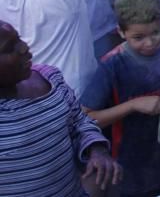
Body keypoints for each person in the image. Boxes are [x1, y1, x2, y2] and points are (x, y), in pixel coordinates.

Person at [81, 0, 160, 197]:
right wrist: (132, 106)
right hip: (133, 167)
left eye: (155, 33)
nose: (149, 43)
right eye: (138, 37)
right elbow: (87, 117)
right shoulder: (112, 65)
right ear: (120, 32)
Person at [0, 22, 121, 196]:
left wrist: (96, 150)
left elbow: (79, 121)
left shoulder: (49, 77)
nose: (24, 48)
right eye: (9, 48)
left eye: (18, 39)